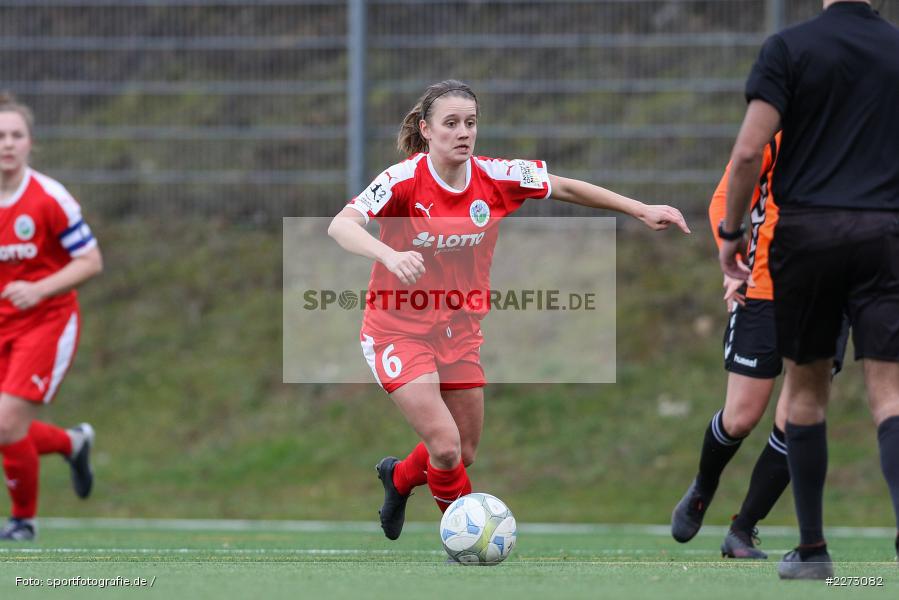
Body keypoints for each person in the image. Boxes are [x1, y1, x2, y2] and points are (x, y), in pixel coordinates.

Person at [328, 79, 690, 542]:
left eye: (471, 123)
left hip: (458, 330)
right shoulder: (402, 180)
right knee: (444, 444)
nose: (463, 132)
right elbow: (342, 225)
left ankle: (398, 479)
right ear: (426, 129)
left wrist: (639, 209)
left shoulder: (495, 177)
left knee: (465, 449)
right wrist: (389, 255)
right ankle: (469, 540)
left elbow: (562, 186)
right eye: (451, 123)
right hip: (396, 329)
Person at [719, 0, 899, 579]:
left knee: (804, 395)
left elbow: (748, 151)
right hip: (885, 233)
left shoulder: (790, 48)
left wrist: (732, 231)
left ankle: (813, 551)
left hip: (807, 236)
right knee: (892, 398)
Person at [672, 132, 849, 559]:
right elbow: (725, 198)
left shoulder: (866, 129)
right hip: (766, 287)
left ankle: (743, 528)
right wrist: (732, 259)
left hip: (832, 291)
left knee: (797, 420)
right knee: (741, 417)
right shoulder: (779, 130)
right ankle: (704, 485)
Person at [0, 93, 102, 541]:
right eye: (0, 136)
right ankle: (71, 443)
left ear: (30, 143)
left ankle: (23, 521)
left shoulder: (49, 198)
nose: (7, 144)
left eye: (16, 135)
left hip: (47, 320)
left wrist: (38, 288)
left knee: (6, 422)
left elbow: (90, 261)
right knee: (6, 426)